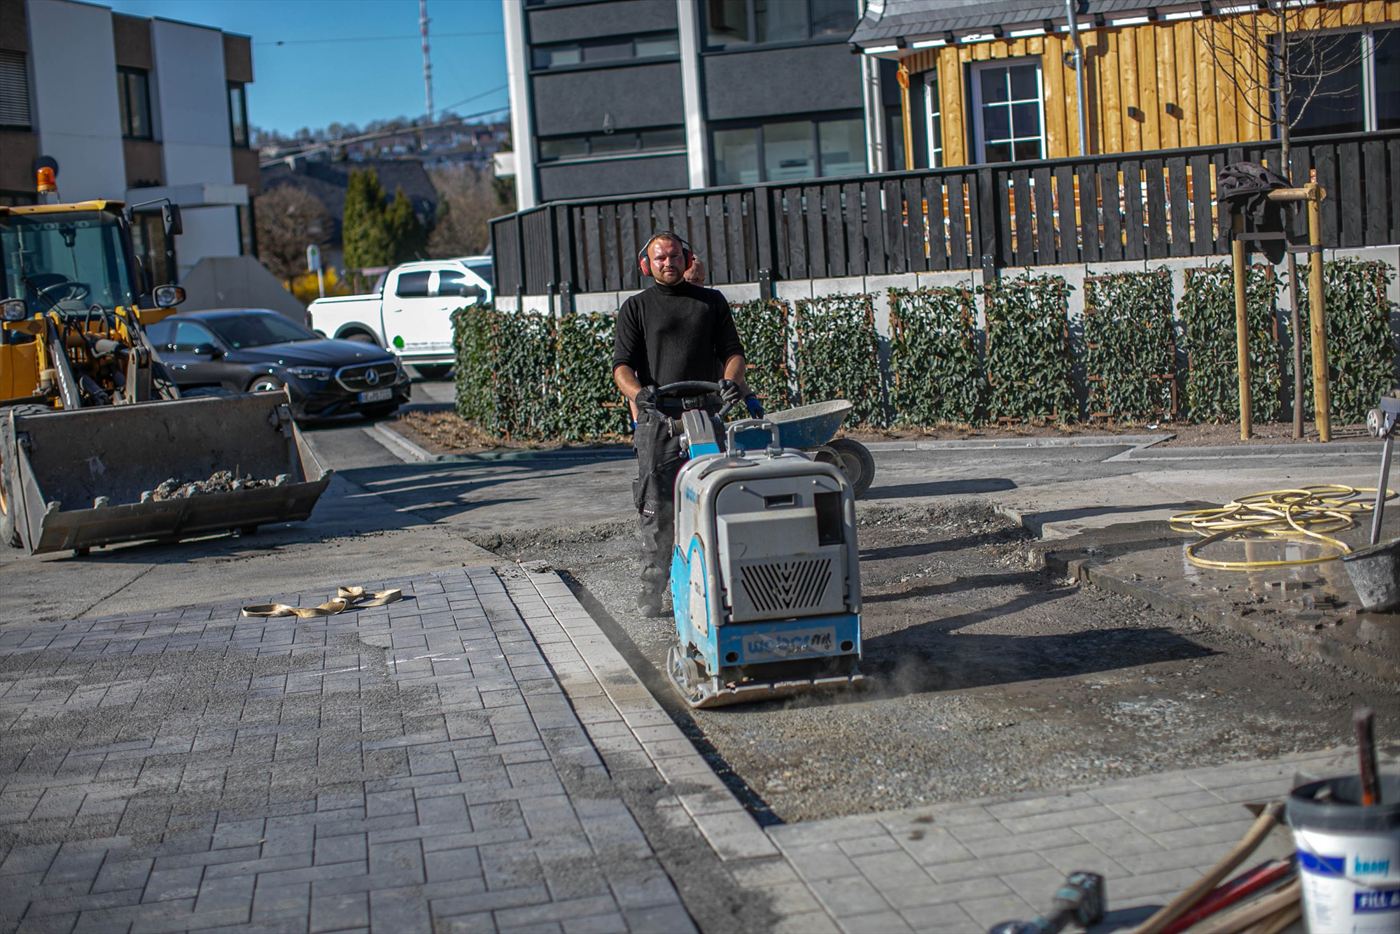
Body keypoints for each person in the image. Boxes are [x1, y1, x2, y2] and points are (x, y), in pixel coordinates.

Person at [612, 231, 761, 617]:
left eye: (675, 256)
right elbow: (622, 366)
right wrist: (638, 393)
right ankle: (652, 588)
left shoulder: (710, 302)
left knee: (716, 497)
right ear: (647, 264)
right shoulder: (636, 308)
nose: (668, 263)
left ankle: (725, 584)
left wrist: (732, 381)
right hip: (659, 418)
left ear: (687, 258)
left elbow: (733, 353)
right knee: (657, 508)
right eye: (660, 258)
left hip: (707, 414)